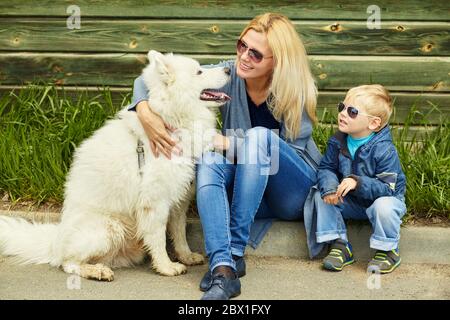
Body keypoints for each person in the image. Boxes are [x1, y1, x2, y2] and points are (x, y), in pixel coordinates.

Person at [127, 13, 321, 300]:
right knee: (209, 160)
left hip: (290, 192)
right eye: (241, 45)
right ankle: (222, 268)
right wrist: (142, 110)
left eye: (255, 54)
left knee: (257, 138)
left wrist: (226, 141)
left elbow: (283, 156)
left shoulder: (296, 92)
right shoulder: (230, 75)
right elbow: (160, 77)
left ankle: (233, 251)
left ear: (277, 61)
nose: (243, 57)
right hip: (245, 186)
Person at [307, 84, 406, 274]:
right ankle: (339, 244)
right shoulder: (338, 141)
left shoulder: (384, 149)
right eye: (342, 107)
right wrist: (329, 188)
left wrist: (357, 182)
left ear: (374, 124)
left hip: (381, 201)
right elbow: (327, 167)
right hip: (353, 202)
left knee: (384, 206)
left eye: (352, 111)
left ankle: (388, 251)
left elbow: (389, 187)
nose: (343, 113)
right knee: (320, 194)